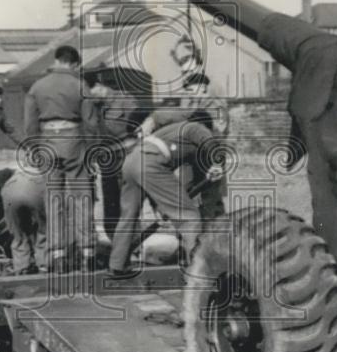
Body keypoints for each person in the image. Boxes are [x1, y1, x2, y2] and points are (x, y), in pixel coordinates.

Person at [109, 110, 224, 278]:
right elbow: (212, 145)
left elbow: (178, 186)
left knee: (128, 216)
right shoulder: (196, 127)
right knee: (189, 218)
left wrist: (164, 206)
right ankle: (198, 273)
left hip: (131, 161)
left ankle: (117, 265)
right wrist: (217, 164)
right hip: (150, 164)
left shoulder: (172, 131)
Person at [23, 45, 96, 272]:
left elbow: (29, 125)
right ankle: (87, 253)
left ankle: (57, 255)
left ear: (56, 61)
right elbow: (91, 123)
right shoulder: (79, 84)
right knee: (82, 196)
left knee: (53, 199)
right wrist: (92, 150)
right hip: (74, 141)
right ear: (74, 64)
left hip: (46, 142)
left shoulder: (37, 86)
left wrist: (35, 148)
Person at [142, 72, 229, 219]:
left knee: (210, 195)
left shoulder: (215, 105)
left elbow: (215, 132)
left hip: (209, 155)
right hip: (194, 153)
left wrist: (157, 117)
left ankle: (215, 232)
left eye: (190, 90)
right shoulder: (193, 103)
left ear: (202, 88)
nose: (187, 94)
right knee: (192, 192)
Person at [84, 71, 141, 241]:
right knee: (110, 203)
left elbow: (139, 127)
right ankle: (115, 241)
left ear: (99, 86)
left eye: (88, 92)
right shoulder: (92, 107)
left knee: (129, 202)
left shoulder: (124, 100)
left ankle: (133, 242)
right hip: (106, 159)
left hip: (127, 155)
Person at [0, 167, 48, 274]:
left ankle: (21, 267)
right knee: (45, 229)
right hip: (36, 188)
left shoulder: (11, 173)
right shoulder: (47, 171)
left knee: (18, 234)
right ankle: (44, 264)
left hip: (9, 191)